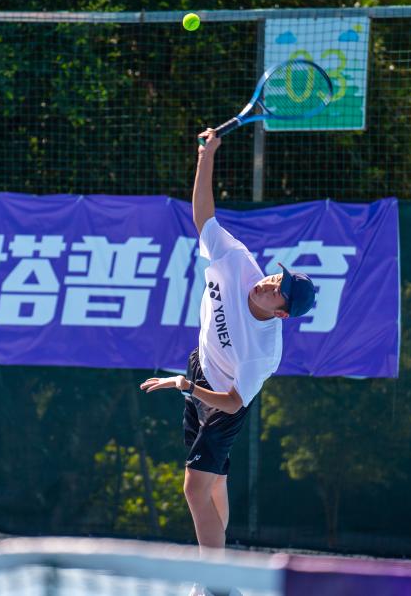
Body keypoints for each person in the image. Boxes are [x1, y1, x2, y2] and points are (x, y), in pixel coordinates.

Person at [139, 128, 316, 555]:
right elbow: (204, 217)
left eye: (278, 291)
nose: (269, 284)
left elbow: (235, 403)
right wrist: (207, 155)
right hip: (200, 366)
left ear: (282, 313)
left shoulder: (264, 351)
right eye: (276, 277)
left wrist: (186, 387)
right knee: (214, 480)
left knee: (194, 488)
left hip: (223, 402)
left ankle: (213, 577)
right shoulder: (237, 261)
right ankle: (220, 573)